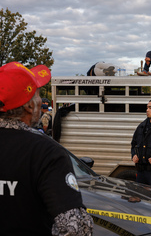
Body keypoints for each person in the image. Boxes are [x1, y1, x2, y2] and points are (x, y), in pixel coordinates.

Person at [0, 62, 93, 235]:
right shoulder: (45, 152)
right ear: (29, 106)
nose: (39, 101)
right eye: (38, 95)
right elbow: (75, 229)